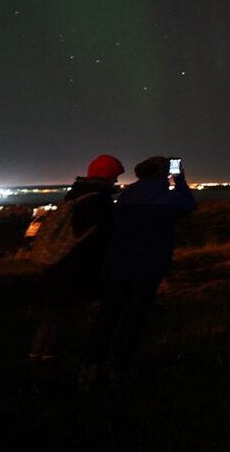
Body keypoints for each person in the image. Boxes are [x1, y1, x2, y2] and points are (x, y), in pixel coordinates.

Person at [83, 156, 196, 385]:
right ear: (161, 173)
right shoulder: (165, 197)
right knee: (134, 318)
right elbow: (188, 205)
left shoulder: (128, 194)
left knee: (108, 315)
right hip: (148, 266)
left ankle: (91, 366)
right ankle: (120, 367)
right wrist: (180, 181)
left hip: (118, 264)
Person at [29, 154, 124, 382]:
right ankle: (52, 368)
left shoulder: (75, 194)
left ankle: (36, 362)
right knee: (66, 319)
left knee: (51, 317)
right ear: (108, 175)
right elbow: (102, 239)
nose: (116, 181)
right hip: (76, 271)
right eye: (115, 176)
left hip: (56, 265)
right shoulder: (98, 202)